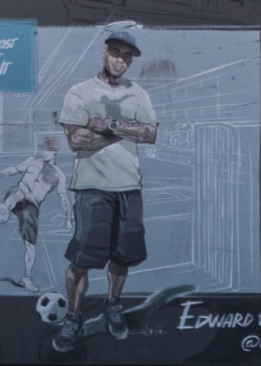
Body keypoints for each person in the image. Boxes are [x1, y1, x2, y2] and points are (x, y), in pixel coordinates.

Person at [52, 29, 159, 352]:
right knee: (82, 260)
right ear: (104, 52)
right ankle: (73, 317)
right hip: (92, 188)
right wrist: (128, 129)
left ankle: (113, 304)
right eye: (115, 53)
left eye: (127, 56)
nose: (120, 61)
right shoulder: (80, 92)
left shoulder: (138, 94)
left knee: (123, 257)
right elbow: (77, 141)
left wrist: (111, 124)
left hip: (129, 187)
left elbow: (150, 134)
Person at [0, 137, 72, 289]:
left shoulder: (59, 175)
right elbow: (14, 169)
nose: (45, 153)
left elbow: (64, 197)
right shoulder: (32, 160)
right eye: (44, 149)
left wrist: (68, 217)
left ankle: (26, 278)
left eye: (48, 151)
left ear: (55, 152)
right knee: (17, 194)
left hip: (31, 205)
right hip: (19, 192)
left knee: (30, 246)